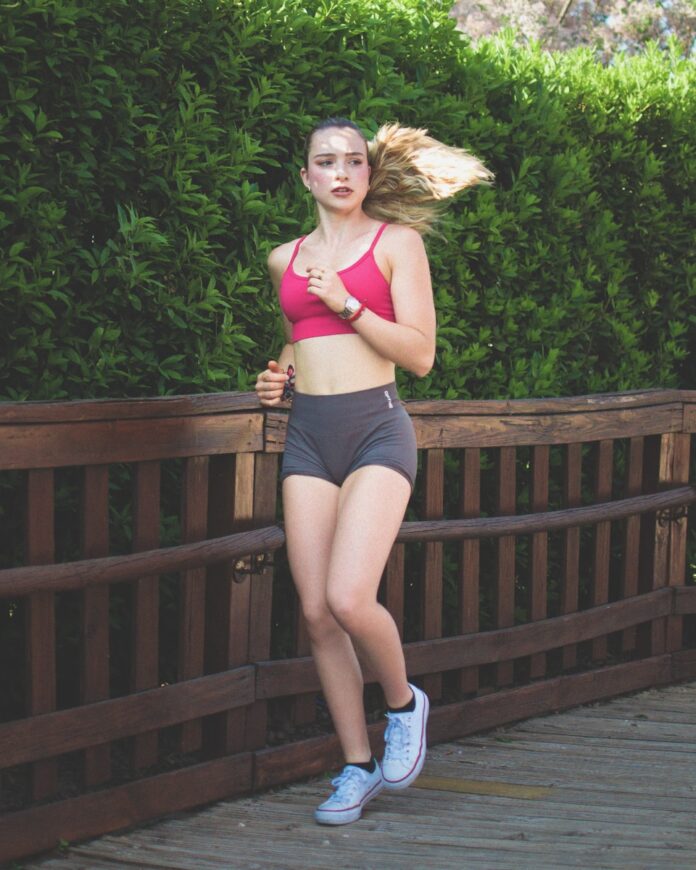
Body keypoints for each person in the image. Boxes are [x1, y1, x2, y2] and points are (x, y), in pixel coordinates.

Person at [255, 118, 491, 825]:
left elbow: (419, 355)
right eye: (325, 162)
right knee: (317, 612)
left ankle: (402, 705)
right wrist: (276, 380)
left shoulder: (397, 245)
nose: (341, 172)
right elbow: (300, 344)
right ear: (305, 177)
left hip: (376, 431)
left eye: (353, 160)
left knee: (352, 598)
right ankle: (356, 768)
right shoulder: (284, 258)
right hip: (308, 438)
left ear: (367, 173)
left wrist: (347, 301)